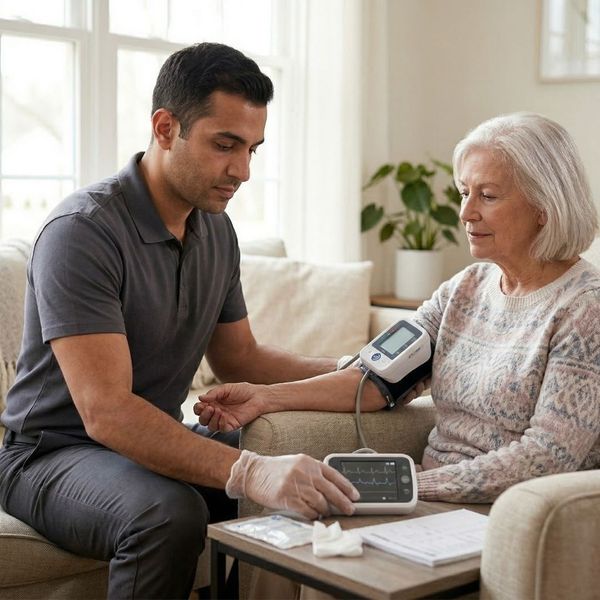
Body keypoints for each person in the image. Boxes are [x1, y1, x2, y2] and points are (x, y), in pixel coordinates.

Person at [0, 42, 361, 599]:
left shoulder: (216, 230)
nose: (241, 170)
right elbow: (107, 413)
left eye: (252, 150)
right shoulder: (82, 231)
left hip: (143, 442)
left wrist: (353, 369)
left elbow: (242, 359)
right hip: (50, 455)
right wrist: (247, 472)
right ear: (166, 128)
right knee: (168, 513)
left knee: (293, 453)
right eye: (225, 145)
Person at [196, 112, 600, 505]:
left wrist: (410, 485)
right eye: (464, 193)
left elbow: (548, 457)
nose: (466, 213)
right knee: (294, 528)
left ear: (545, 206)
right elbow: (373, 377)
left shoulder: (585, 308)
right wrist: (267, 398)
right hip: (429, 492)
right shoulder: (465, 289)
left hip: (510, 514)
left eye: (488, 196)